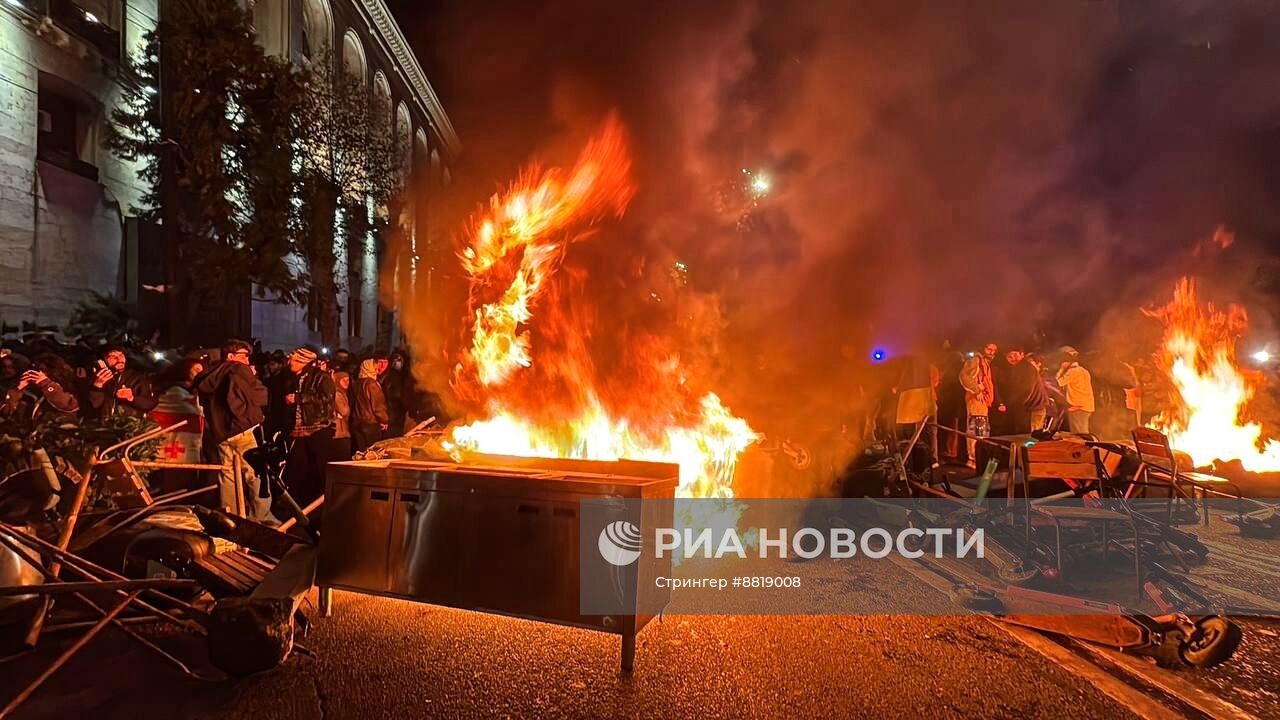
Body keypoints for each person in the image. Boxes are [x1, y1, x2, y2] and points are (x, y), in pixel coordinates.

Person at [193, 339, 272, 521]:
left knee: (228, 475)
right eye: (244, 356)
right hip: (244, 429)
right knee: (255, 473)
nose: (247, 360)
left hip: (222, 434)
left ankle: (231, 516)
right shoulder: (238, 369)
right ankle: (261, 517)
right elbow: (258, 396)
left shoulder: (209, 375)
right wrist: (253, 378)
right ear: (231, 356)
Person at [282, 347, 337, 506]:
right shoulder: (292, 378)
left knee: (318, 469)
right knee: (299, 470)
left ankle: (321, 504)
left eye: (292, 360)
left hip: (317, 430)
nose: (289, 362)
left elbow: (327, 401)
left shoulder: (321, 377)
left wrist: (299, 397)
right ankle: (302, 504)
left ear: (302, 362)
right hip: (298, 431)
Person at [86, 346, 157, 419]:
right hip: (105, 425)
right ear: (103, 361)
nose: (119, 359)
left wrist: (131, 398)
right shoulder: (97, 378)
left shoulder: (139, 377)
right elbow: (93, 407)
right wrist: (97, 387)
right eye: (113, 356)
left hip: (131, 425)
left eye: (121, 355)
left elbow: (151, 403)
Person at [1, 354, 79, 420]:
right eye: (38, 370)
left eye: (44, 370)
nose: (40, 374)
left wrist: (46, 384)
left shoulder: (66, 390)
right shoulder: (30, 392)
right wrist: (17, 391)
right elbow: (6, 413)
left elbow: (67, 406)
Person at [959, 342, 997, 467]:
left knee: (980, 429)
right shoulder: (976, 360)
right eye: (989, 348)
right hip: (976, 400)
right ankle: (974, 459)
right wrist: (977, 390)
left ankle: (978, 458)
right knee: (976, 429)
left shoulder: (984, 363)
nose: (991, 352)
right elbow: (964, 376)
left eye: (994, 350)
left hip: (982, 401)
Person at [352, 356, 389, 451]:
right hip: (370, 423)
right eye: (375, 366)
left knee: (361, 451)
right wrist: (384, 420)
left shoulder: (357, 383)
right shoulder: (371, 383)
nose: (377, 368)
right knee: (372, 452)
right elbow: (378, 404)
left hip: (357, 422)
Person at [1056, 346, 1096, 434]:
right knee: (1083, 432)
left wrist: (1061, 370)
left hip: (1077, 407)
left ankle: (1085, 447)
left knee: (1079, 434)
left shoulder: (1072, 372)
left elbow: (1058, 383)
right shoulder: (1084, 371)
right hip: (1086, 406)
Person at [332, 371, 353, 458]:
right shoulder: (337, 393)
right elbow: (344, 410)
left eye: (347, 380)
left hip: (342, 430)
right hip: (339, 432)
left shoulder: (344, 393)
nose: (346, 382)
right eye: (343, 380)